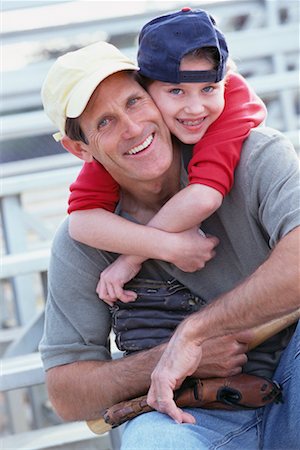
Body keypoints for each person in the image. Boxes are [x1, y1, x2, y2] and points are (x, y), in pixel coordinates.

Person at [39, 21, 300, 450]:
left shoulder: (255, 154)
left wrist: (193, 334)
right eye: (105, 122)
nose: (133, 127)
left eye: (135, 101)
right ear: (80, 149)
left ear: (156, 93)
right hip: (181, 415)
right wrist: (167, 360)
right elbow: (66, 393)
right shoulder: (81, 238)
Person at [65, 8, 266, 303]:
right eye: (176, 91)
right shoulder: (133, 134)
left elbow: (205, 197)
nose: (196, 108)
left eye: (209, 88)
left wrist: (130, 260)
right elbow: (81, 222)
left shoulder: (230, 102)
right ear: (147, 88)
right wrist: (168, 247)